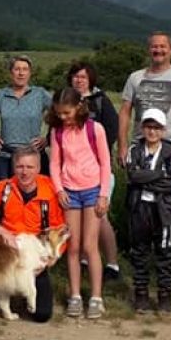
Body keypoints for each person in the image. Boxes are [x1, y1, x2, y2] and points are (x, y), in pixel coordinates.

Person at [0, 147, 65, 323]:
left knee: (42, 315)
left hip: (34, 255)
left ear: (38, 168)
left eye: (29, 167)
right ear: (13, 168)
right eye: (20, 167)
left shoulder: (50, 191)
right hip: (6, 254)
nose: (24, 172)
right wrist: (0, 230)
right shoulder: (3, 188)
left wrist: (52, 259)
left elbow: (61, 230)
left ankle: (15, 295)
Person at [47, 88, 112, 319]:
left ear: (78, 107)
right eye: (59, 113)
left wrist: (103, 194)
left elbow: (105, 163)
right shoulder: (57, 132)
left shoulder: (96, 129)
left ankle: (96, 297)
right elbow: (54, 164)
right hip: (70, 192)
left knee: (89, 246)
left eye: (67, 113)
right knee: (72, 247)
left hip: (93, 190)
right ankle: (75, 295)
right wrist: (59, 189)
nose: (63, 117)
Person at [123, 108, 171, 313]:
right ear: (142, 128)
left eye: (157, 128)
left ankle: (165, 295)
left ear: (164, 130)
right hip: (139, 208)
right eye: (149, 127)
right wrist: (159, 174)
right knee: (139, 251)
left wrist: (146, 178)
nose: (152, 132)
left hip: (164, 209)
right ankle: (141, 293)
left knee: (164, 252)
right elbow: (132, 176)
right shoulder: (135, 150)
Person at [66, 60, 122, 281]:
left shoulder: (100, 101)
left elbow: (112, 131)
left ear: (90, 80)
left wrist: (92, 155)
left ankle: (112, 263)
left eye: (83, 77)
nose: (79, 80)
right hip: (72, 173)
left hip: (98, 170)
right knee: (78, 222)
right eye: (76, 76)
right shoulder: (66, 100)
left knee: (101, 217)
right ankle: (84, 259)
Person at [118, 32, 171, 169]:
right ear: (149, 49)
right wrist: (122, 145)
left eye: (163, 46)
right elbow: (124, 113)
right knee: (137, 188)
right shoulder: (135, 78)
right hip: (140, 146)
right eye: (154, 47)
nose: (158, 50)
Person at [0, 55, 52, 181]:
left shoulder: (39, 94)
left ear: (30, 73)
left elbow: (59, 114)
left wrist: (48, 138)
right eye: (17, 69)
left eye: (25, 69)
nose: (21, 73)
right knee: (5, 195)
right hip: (6, 156)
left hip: (33, 156)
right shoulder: (1, 95)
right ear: (11, 72)